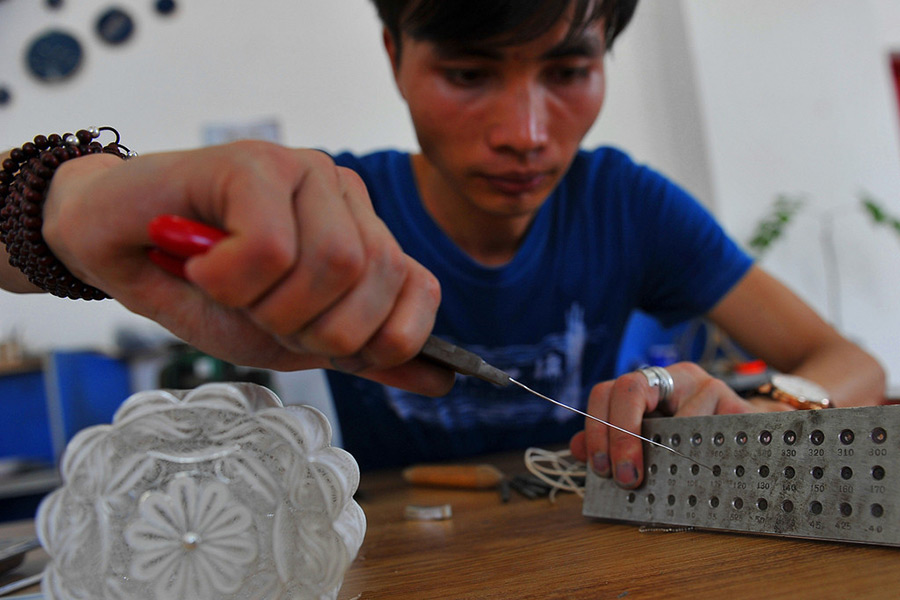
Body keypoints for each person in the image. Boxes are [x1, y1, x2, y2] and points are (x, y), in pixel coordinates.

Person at [1, 1, 885, 481]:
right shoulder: (332, 203)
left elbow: (851, 364)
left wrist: (772, 410)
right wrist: (64, 200)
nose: (527, 131)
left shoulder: (628, 205)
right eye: (469, 74)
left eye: (571, 71)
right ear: (394, 54)